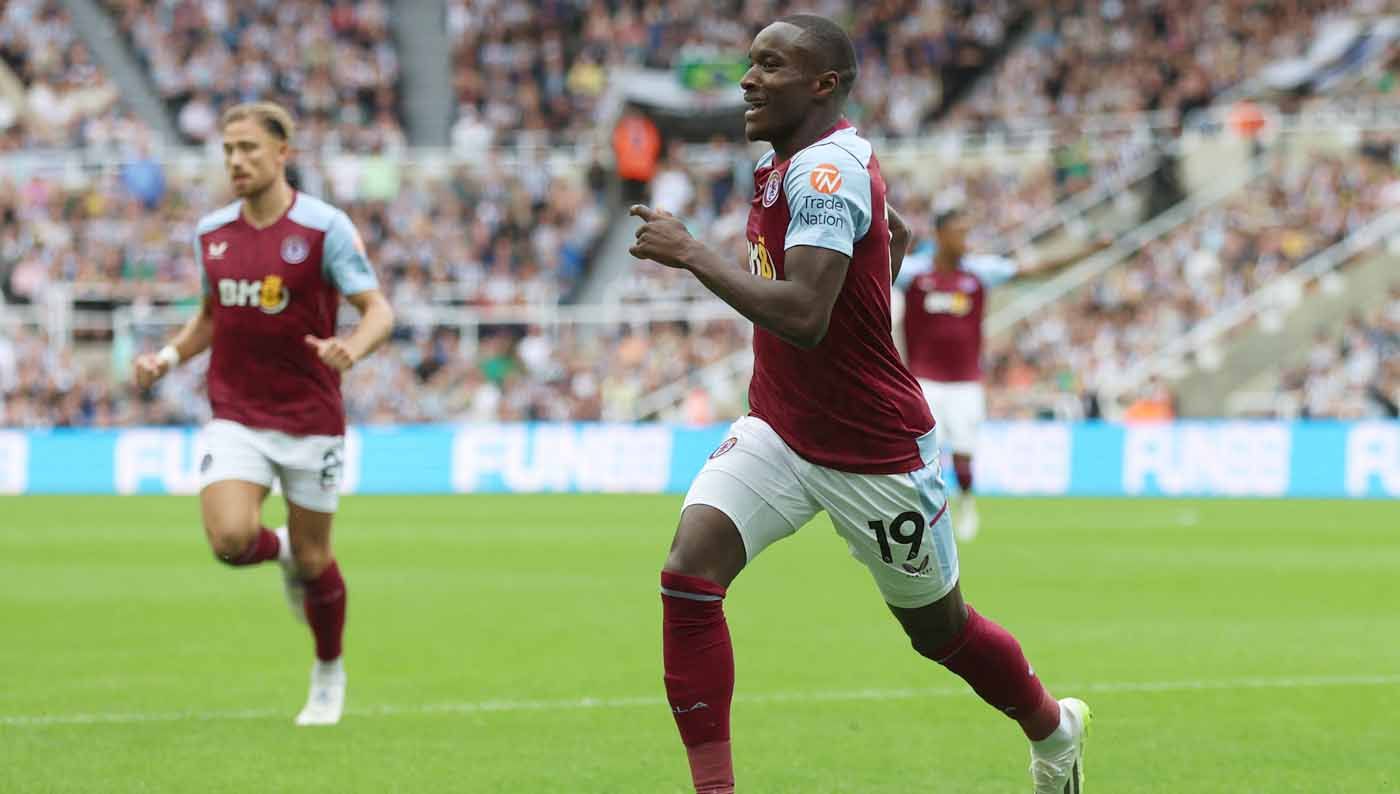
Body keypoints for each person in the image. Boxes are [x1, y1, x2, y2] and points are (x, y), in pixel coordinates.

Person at [629, 15, 1090, 794]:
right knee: (688, 574)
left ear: (823, 85)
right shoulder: (791, 161)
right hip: (780, 427)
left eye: (769, 66)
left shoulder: (824, 171)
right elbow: (896, 231)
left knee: (940, 634)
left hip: (873, 452)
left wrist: (692, 253)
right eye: (750, 63)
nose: (747, 79)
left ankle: (1055, 730)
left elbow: (806, 318)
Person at [132, 102, 394, 726]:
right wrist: (167, 357)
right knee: (228, 539)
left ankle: (328, 671)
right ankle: (275, 553)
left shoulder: (325, 227)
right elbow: (211, 317)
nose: (236, 161)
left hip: (311, 418)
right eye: (228, 150)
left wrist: (349, 348)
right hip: (238, 413)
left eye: (249, 148)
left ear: (282, 153)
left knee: (315, 560)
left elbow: (378, 309)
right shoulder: (212, 233)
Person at [897, 208, 1106, 541]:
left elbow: (1035, 269)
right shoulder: (913, 273)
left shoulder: (981, 272)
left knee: (964, 450)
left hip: (965, 381)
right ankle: (927, 512)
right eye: (958, 231)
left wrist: (1087, 252)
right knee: (921, 453)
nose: (964, 238)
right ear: (939, 235)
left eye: (967, 230)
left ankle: (966, 503)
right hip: (923, 381)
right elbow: (871, 273)